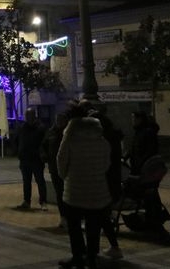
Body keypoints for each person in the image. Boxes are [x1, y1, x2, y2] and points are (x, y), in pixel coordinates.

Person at [57, 100, 112, 269]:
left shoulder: (70, 139)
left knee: (74, 227)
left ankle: (78, 256)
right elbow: (106, 164)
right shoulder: (101, 140)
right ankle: (92, 257)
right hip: (97, 191)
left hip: (74, 190)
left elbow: (61, 162)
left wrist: (67, 177)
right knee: (93, 227)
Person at [89, 109, 124, 260]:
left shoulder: (104, 141)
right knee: (101, 216)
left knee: (98, 216)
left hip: (104, 182)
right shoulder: (112, 137)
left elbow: (102, 163)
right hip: (110, 181)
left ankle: (96, 250)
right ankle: (108, 247)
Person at [13, 107, 48, 211]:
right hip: (25, 159)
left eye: (30, 115)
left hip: (37, 159)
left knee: (40, 181)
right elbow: (16, 140)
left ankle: (43, 201)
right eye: (27, 115)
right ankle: (26, 201)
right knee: (26, 181)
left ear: (34, 115)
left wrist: (42, 153)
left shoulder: (40, 128)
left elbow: (45, 142)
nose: (28, 117)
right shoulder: (22, 128)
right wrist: (19, 151)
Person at [42, 112, 69, 228]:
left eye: (61, 120)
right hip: (54, 168)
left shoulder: (69, 133)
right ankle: (63, 217)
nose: (59, 122)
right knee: (59, 193)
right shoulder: (51, 132)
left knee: (69, 194)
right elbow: (43, 145)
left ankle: (71, 216)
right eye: (58, 120)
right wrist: (44, 156)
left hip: (68, 169)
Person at [128, 111, 159, 175]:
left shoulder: (148, 132)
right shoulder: (138, 132)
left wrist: (141, 163)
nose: (132, 121)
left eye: (134, 118)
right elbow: (134, 147)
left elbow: (151, 150)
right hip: (137, 166)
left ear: (140, 119)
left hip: (144, 167)